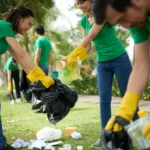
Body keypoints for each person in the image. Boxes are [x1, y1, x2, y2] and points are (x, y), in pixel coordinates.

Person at [62, 0, 139, 148]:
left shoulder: (101, 14)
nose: (80, 6)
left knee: (128, 95)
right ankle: (106, 136)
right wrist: (74, 61)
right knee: (104, 99)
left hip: (119, 58)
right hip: (103, 63)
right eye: (77, 3)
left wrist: (71, 54)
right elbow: (87, 46)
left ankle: (138, 130)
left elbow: (91, 36)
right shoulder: (83, 21)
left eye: (82, 2)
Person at [91, 0, 150, 141]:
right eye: (119, 23)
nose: (127, 26)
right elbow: (141, 65)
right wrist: (125, 110)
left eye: (122, 18)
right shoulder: (138, 22)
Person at [0, 5, 55, 149]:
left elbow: (21, 60)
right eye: (29, 24)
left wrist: (40, 80)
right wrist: (42, 77)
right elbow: (24, 55)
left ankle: (1, 143)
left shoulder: (8, 34)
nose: (29, 28)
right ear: (19, 19)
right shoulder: (5, 26)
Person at [34, 25, 53, 113]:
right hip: (45, 65)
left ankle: (42, 107)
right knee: (44, 86)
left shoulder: (39, 40)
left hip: (39, 65)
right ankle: (45, 106)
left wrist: (35, 65)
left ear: (36, 32)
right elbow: (50, 55)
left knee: (38, 87)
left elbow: (38, 53)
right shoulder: (47, 41)